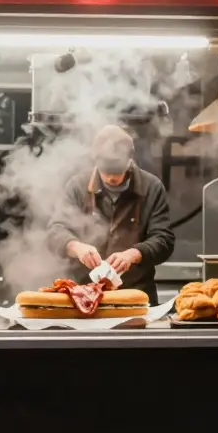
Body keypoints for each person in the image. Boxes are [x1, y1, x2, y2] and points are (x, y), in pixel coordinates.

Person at [48, 125, 175, 304]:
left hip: (134, 296)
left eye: (118, 171)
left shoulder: (152, 187)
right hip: (82, 296)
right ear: (96, 160)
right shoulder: (78, 186)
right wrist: (77, 248)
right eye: (106, 172)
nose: (112, 179)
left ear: (130, 160)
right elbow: (55, 231)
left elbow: (164, 240)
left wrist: (134, 254)